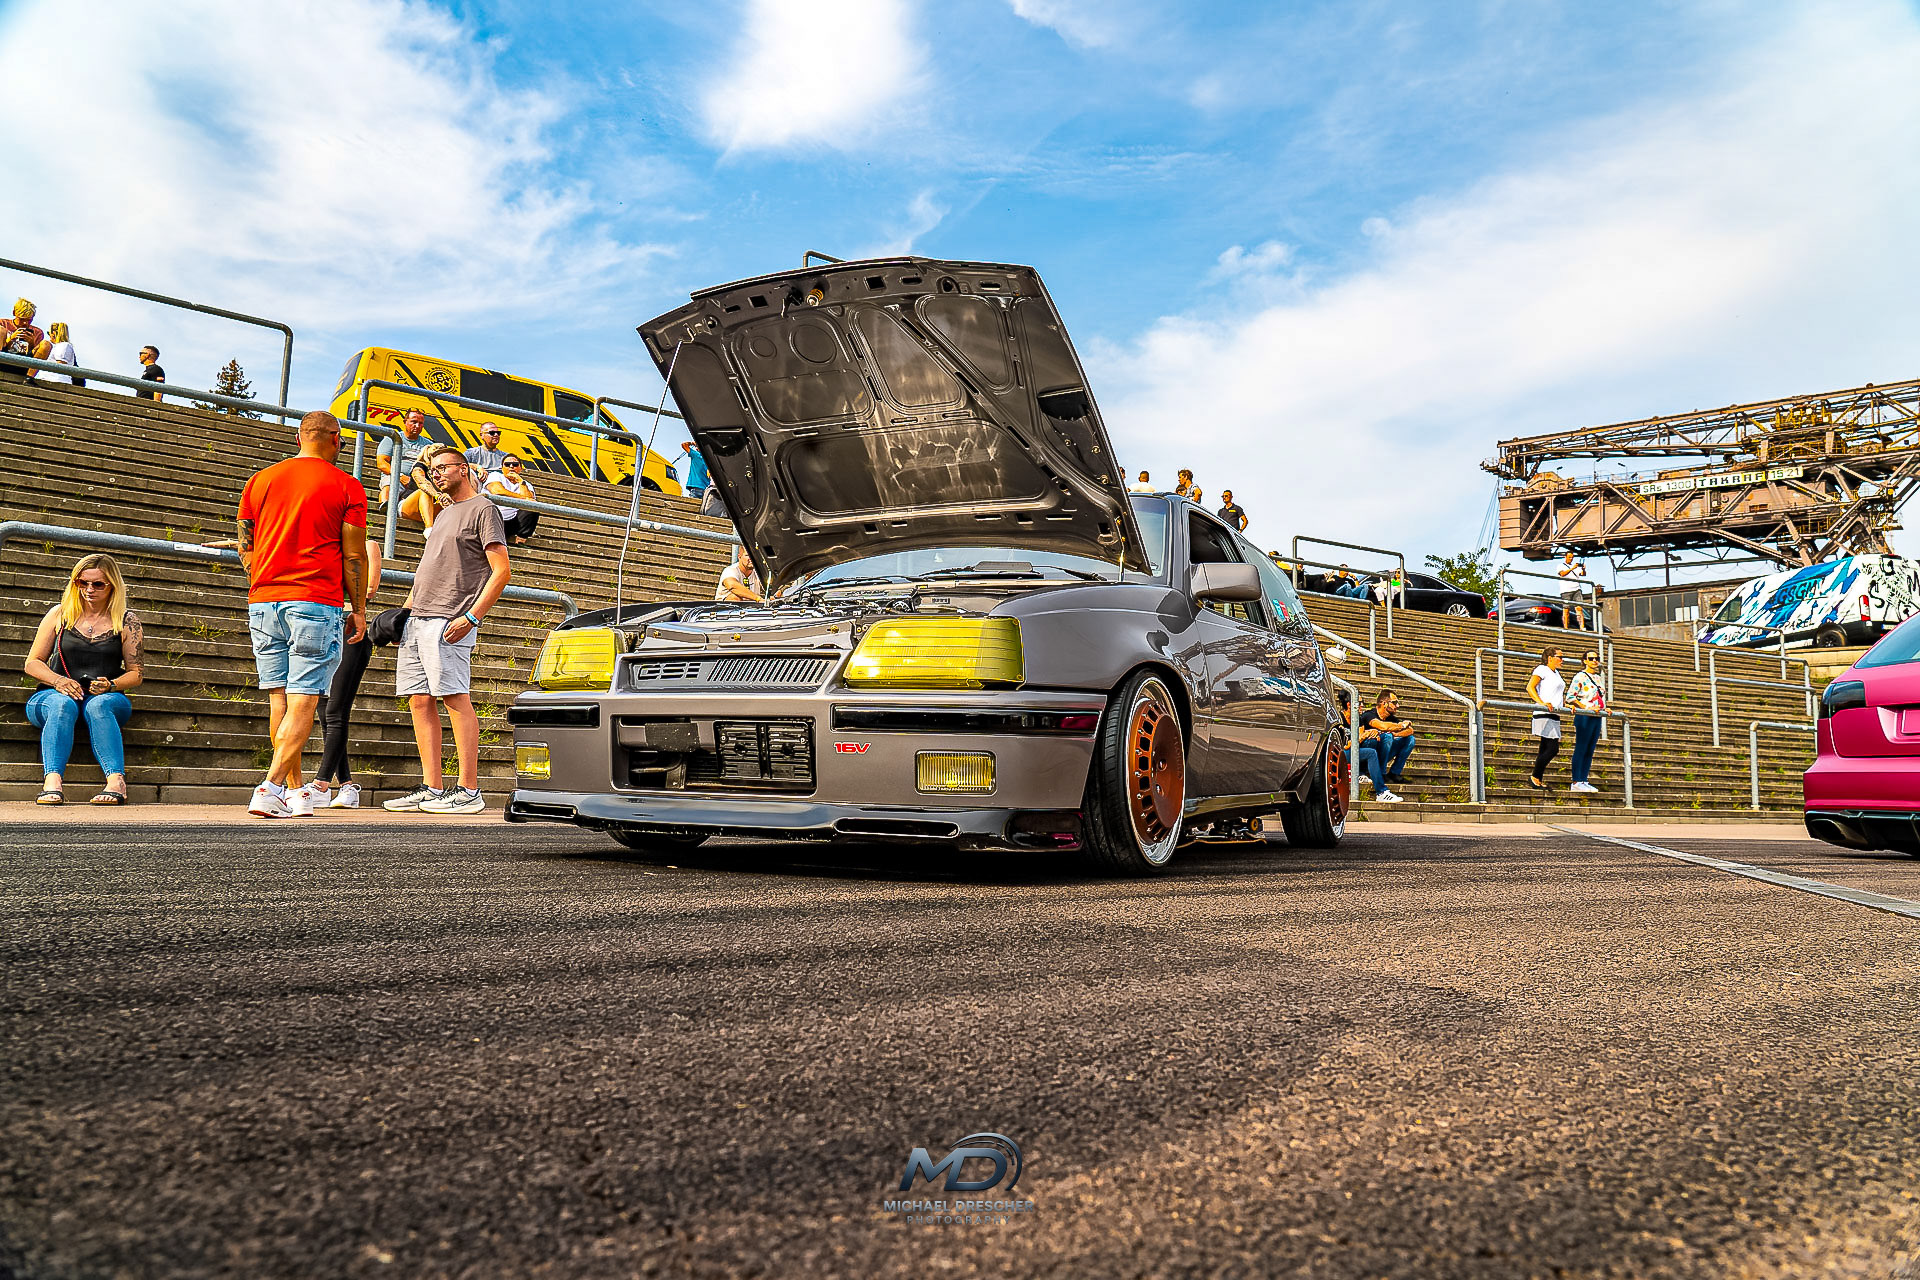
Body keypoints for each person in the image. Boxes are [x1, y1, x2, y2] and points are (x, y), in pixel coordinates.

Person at [237, 411, 370, 818]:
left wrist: (262, 578)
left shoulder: (259, 480)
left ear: (298, 438)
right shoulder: (347, 485)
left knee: (279, 698)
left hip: (264, 599)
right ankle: (270, 787)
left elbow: (246, 544)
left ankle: (296, 793)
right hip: (314, 599)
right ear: (336, 439)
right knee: (304, 699)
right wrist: (359, 609)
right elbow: (353, 556)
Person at [385, 444, 512, 815]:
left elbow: (502, 571)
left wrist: (472, 617)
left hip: (450, 618)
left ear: (464, 468)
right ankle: (432, 788)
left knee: (455, 698)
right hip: (418, 618)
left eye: (442, 467)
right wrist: (403, 614)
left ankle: (469, 790)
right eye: (432, 469)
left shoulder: (484, 509)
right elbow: (426, 567)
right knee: (418, 700)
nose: (436, 474)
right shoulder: (443, 512)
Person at [21, 554, 144, 805]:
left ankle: (116, 781)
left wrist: (111, 685)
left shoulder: (126, 620)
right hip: (52, 695)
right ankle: (52, 781)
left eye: (98, 584)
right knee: (61, 704)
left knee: (99, 705)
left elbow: (136, 673)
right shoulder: (60, 614)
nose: (89, 589)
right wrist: (58, 681)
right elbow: (32, 662)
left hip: (105, 698)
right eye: (82, 582)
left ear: (112, 585)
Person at [311, 538, 383, 810]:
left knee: (336, 710)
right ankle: (347, 786)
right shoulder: (325, 544)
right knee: (323, 709)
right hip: (324, 625)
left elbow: (369, 588)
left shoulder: (368, 545)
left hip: (350, 628)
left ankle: (321, 784)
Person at [377, 408, 449, 530]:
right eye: (413, 422)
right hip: (395, 475)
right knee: (390, 483)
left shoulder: (427, 444)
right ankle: (386, 508)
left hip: (419, 479)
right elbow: (381, 463)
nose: (417, 426)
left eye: (420, 423)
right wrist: (400, 476)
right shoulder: (392, 438)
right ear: (405, 422)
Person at [1524, 647, 1567, 791]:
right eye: (1559, 657)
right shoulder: (1542, 669)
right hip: (1544, 712)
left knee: (1545, 748)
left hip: (1554, 713)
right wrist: (1541, 703)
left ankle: (1537, 779)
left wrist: (1565, 704)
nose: (1562, 660)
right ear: (1550, 658)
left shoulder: (1557, 673)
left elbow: (1555, 693)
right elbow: (1530, 687)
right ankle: (1534, 776)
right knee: (1552, 748)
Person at [1567, 648, 1606, 795]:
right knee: (1581, 747)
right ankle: (1576, 780)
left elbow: (1598, 697)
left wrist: (1604, 708)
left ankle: (1584, 779)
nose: (1594, 661)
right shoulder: (1580, 676)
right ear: (1584, 661)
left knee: (1590, 748)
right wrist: (1586, 707)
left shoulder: (1598, 678)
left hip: (1597, 715)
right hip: (1584, 715)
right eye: (1591, 659)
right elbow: (1571, 697)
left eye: (1596, 658)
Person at [1362, 690, 1416, 790]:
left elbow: (1410, 730)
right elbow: (1382, 726)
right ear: (1384, 703)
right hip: (1367, 754)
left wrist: (1395, 733)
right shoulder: (1369, 714)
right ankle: (1381, 773)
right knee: (1387, 737)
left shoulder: (1391, 718)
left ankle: (1394, 773)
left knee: (1410, 740)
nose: (1397, 706)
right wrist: (1400, 726)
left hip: (1382, 753)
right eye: (1394, 703)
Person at [485, 453, 540, 544]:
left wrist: (520, 481)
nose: (511, 467)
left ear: (520, 468)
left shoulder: (526, 484)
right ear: (502, 468)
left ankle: (521, 540)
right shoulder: (495, 475)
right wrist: (523, 498)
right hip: (492, 520)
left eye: (515, 464)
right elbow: (497, 491)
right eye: (507, 464)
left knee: (532, 506)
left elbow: (530, 500)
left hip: (512, 522)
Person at [0, 298, 51, 379]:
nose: (25, 323)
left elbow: (36, 355)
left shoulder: (37, 332)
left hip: (24, 364)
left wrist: (31, 343)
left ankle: (29, 378)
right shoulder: (2, 323)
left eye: (29, 320)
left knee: (46, 344)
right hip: (3, 359)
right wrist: (11, 338)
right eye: (22, 319)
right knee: (1, 330)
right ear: (14, 313)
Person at [1557, 550, 1589, 630]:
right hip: (1566, 590)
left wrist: (1583, 569)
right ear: (1565, 557)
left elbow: (1583, 574)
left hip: (1577, 589)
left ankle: (1582, 627)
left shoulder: (1575, 567)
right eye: (1569, 557)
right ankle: (1566, 628)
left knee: (1579, 608)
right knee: (1566, 609)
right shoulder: (1561, 566)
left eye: (1572, 557)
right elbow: (1562, 574)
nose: (1571, 559)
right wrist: (1572, 568)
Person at [43, 322, 82, 386]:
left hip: (56, 381)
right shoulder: (58, 346)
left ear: (53, 334)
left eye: (49, 333)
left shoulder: (64, 345)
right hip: (51, 380)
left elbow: (61, 365)